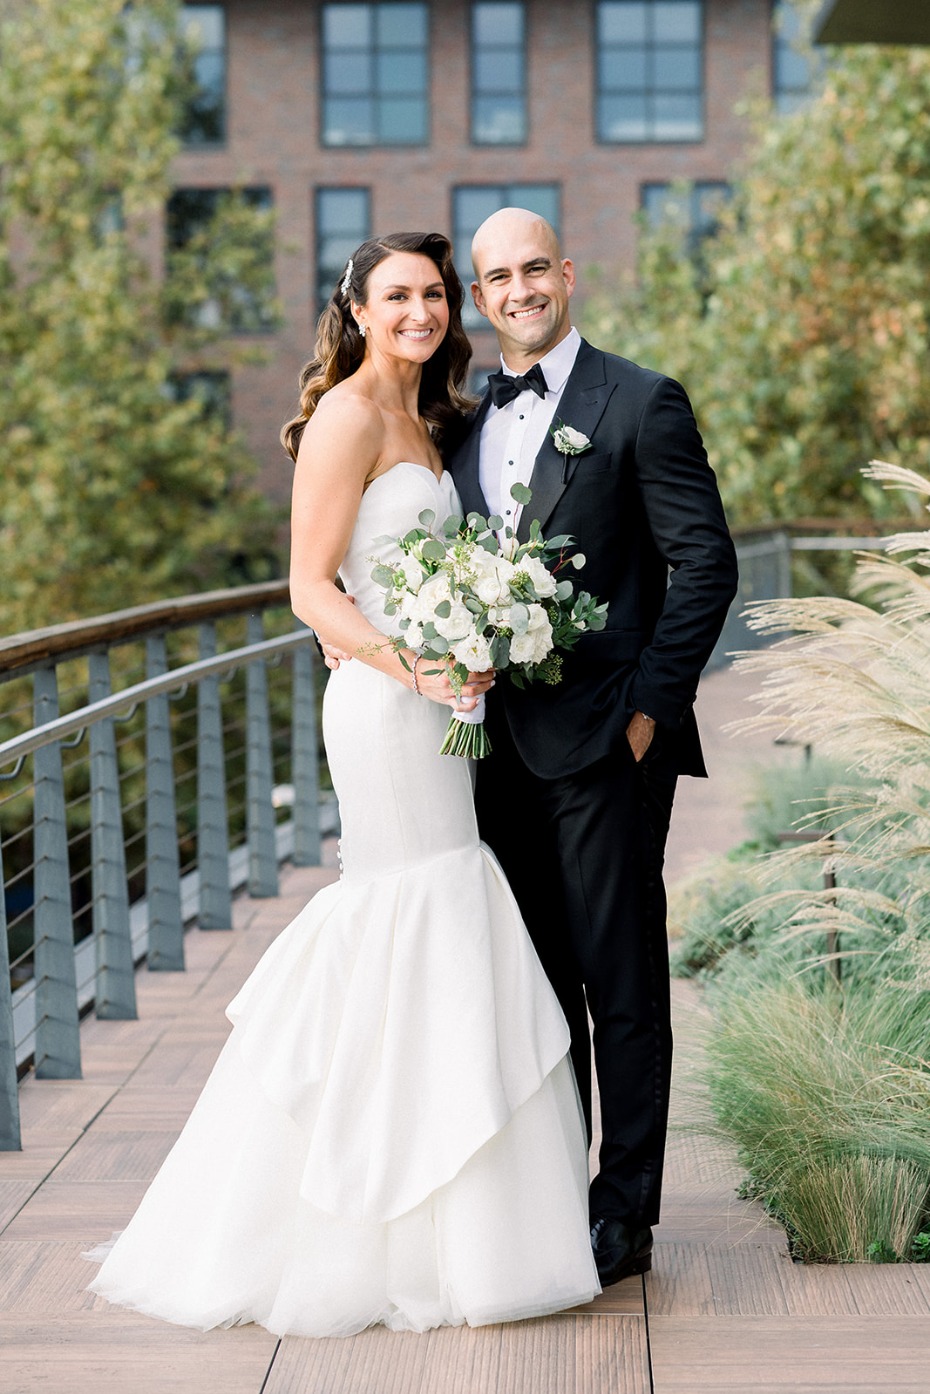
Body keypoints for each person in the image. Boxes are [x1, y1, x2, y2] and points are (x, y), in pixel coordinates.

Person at [85, 231, 600, 1336]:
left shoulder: (434, 419)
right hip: (383, 709)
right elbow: (309, 587)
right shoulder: (349, 417)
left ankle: (459, 1223)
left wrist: (475, 645)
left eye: (432, 292)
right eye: (396, 295)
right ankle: (358, 1213)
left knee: (454, 902)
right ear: (359, 311)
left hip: (447, 705)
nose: (419, 309)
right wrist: (405, 661)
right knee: (409, 906)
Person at [446, 208, 739, 1288]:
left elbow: (704, 563)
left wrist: (649, 714)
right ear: (480, 299)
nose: (519, 289)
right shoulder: (462, 423)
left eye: (535, 267)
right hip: (494, 751)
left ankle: (624, 1215)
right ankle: (544, 1198)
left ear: (566, 274)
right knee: (533, 985)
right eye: (497, 277)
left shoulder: (641, 399)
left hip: (610, 741)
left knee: (620, 980)